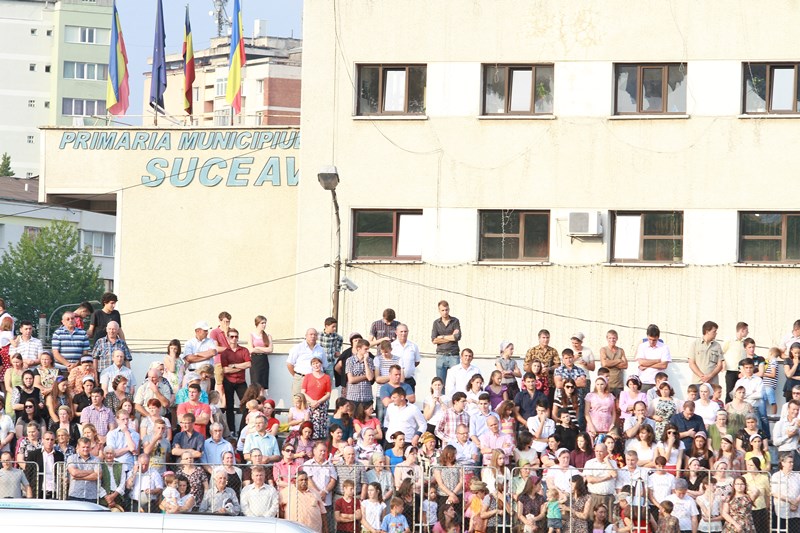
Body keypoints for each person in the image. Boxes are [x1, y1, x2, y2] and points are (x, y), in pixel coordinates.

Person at [219, 327, 251, 432]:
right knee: (229, 407)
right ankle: (231, 430)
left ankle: (243, 429)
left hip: (241, 381)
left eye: (236, 336)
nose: (234, 339)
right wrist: (240, 367)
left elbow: (249, 364)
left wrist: (234, 365)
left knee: (247, 405)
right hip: (228, 381)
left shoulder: (244, 350)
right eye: (232, 337)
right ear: (228, 338)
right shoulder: (225, 353)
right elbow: (225, 370)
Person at [304, 440, 339, 532]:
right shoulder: (308, 464)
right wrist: (318, 494)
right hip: (312, 501)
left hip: (326, 501)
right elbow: (308, 480)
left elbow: (333, 480)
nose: (323, 453)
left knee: (326, 527)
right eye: (321, 451)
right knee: (312, 526)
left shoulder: (330, 465)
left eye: (324, 451)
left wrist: (325, 492)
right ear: (314, 451)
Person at [287, 328, 327, 395]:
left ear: (317, 337)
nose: (313, 336)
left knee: (314, 400)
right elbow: (289, 364)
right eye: (311, 334)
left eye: (315, 335)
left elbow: (325, 366)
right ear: (306, 336)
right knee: (298, 399)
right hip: (301, 379)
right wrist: (297, 376)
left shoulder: (321, 349)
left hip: (316, 380)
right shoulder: (298, 347)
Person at [633, 324, 671, 392]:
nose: (651, 342)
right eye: (650, 339)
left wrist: (646, 365)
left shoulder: (664, 347)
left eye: (654, 340)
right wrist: (657, 361)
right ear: (647, 336)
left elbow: (664, 365)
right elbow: (641, 362)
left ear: (658, 337)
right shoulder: (642, 346)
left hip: (659, 383)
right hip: (644, 381)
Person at [432, 301, 462, 382]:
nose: (445, 312)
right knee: (440, 382)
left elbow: (457, 337)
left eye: (446, 310)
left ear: (449, 309)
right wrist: (451, 336)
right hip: (441, 355)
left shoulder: (455, 321)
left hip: (453, 355)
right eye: (443, 310)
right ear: (439, 310)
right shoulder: (436, 323)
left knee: (456, 381)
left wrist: (442, 337)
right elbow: (434, 340)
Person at [770, 452, 800, 532]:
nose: (792, 464)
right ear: (782, 463)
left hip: (796, 511)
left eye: (792, 462)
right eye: (789, 462)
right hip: (782, 511)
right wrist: (791, 501)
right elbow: (775, 492)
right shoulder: (776, 476)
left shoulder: (797, 475)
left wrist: (796, 502)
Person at [67, 437, 101, 502]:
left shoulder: (96, 459)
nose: (85, 449)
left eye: (87, 447)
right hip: (75, 495)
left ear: (90, 447)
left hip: (91, 496)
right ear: (78, 447)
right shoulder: (71, 458)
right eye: (83, 447)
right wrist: (92, 471)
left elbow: (98, 475)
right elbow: (74, 473)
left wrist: (79, 478)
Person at [722, 322, 749, 401]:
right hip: (731, 370)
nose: (748, 332)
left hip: (741, 372)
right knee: (730, 392)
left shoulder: (744, 343)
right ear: (742, 330)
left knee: (741, 392)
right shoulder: (729, 340)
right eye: (746, 330)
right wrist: (723, 363)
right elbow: (721, 352)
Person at [392, 324, 421, 389]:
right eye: (401, 331)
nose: (403, 333)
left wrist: (409, 368)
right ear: (396, 332)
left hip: (409, 381)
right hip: (395, 381)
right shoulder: (392, 346)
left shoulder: (413, 346)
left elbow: (416, 362)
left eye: (405, 331)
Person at [599, 329, 627, 396]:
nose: (612, 340)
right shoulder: (603, 350)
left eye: (614, 338)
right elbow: (604, 363)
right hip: (606, 384)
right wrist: (618, 360)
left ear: (617, 338)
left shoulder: (621, 350)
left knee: (618, 402)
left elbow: (625, 365)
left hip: (618, 384)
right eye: (610, 338)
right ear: (607, 338)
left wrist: (610, 362)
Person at [320, 316, 343, 384]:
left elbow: (340, 340)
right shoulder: (319, 335)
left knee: (328, 383)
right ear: (326, 326)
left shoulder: (336, 336)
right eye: (333, 327)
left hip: (330, 363)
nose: (334, 329)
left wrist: (337, 350)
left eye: (335, 327)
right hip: (320, 364)